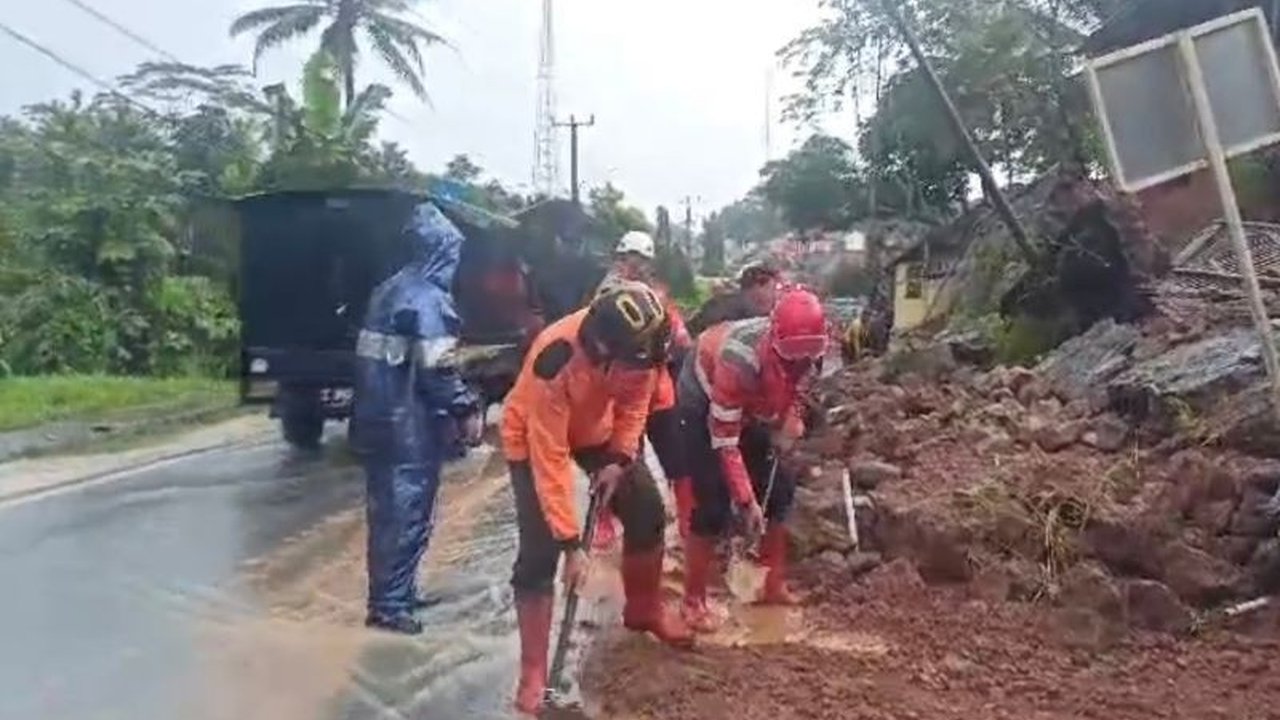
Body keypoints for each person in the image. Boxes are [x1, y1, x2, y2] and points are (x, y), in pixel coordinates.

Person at [502, 281, 694, 716]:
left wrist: (619, 458)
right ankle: (533, 672)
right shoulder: (555, 360)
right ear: (603, 348)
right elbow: (548, 457)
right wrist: (571, 545)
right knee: (540, 549)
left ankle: (644, 611)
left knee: (645, 506)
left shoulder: (642, 351)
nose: (635, 374)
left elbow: (634, 405)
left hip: (595, 427)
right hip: (533, 434)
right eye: (627, 366)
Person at [350, 202, 484, 635]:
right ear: (440, 251)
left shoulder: (388, 289)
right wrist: (464, 409)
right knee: (407, 511)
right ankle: (389, 603)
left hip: (375, 416)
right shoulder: (428, 300)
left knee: (388, 511)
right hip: (406, 425)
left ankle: (398, 590)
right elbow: (439, 368)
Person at [676, 287, 827, 632]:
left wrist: (788, 420)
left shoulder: (810, 348)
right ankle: (692, 601)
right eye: (792, 356)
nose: (800, 363)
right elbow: (726, 439)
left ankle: (771, 584)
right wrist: (745, 500)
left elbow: (799, 390)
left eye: (807, 356)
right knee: (712, 503)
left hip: (752, 403)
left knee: (781, 491)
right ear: (775, 341)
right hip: (702, 400)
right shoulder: (739, 358)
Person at [593, 231, 697, 544]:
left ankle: (687, 520)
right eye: (630, 259)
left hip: (658, 393)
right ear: (620, 259)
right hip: (621, 395)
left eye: (641, 260)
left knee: (677, 460)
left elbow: (681, 339)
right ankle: (606, 521)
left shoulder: (659, 296)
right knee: (622, 463)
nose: (635, 266)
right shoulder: (606, 298)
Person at [686, 261, 781, 335]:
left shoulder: (767, 316)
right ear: (757, 286)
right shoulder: (720, 308)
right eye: (772, 289)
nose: (775, 296)